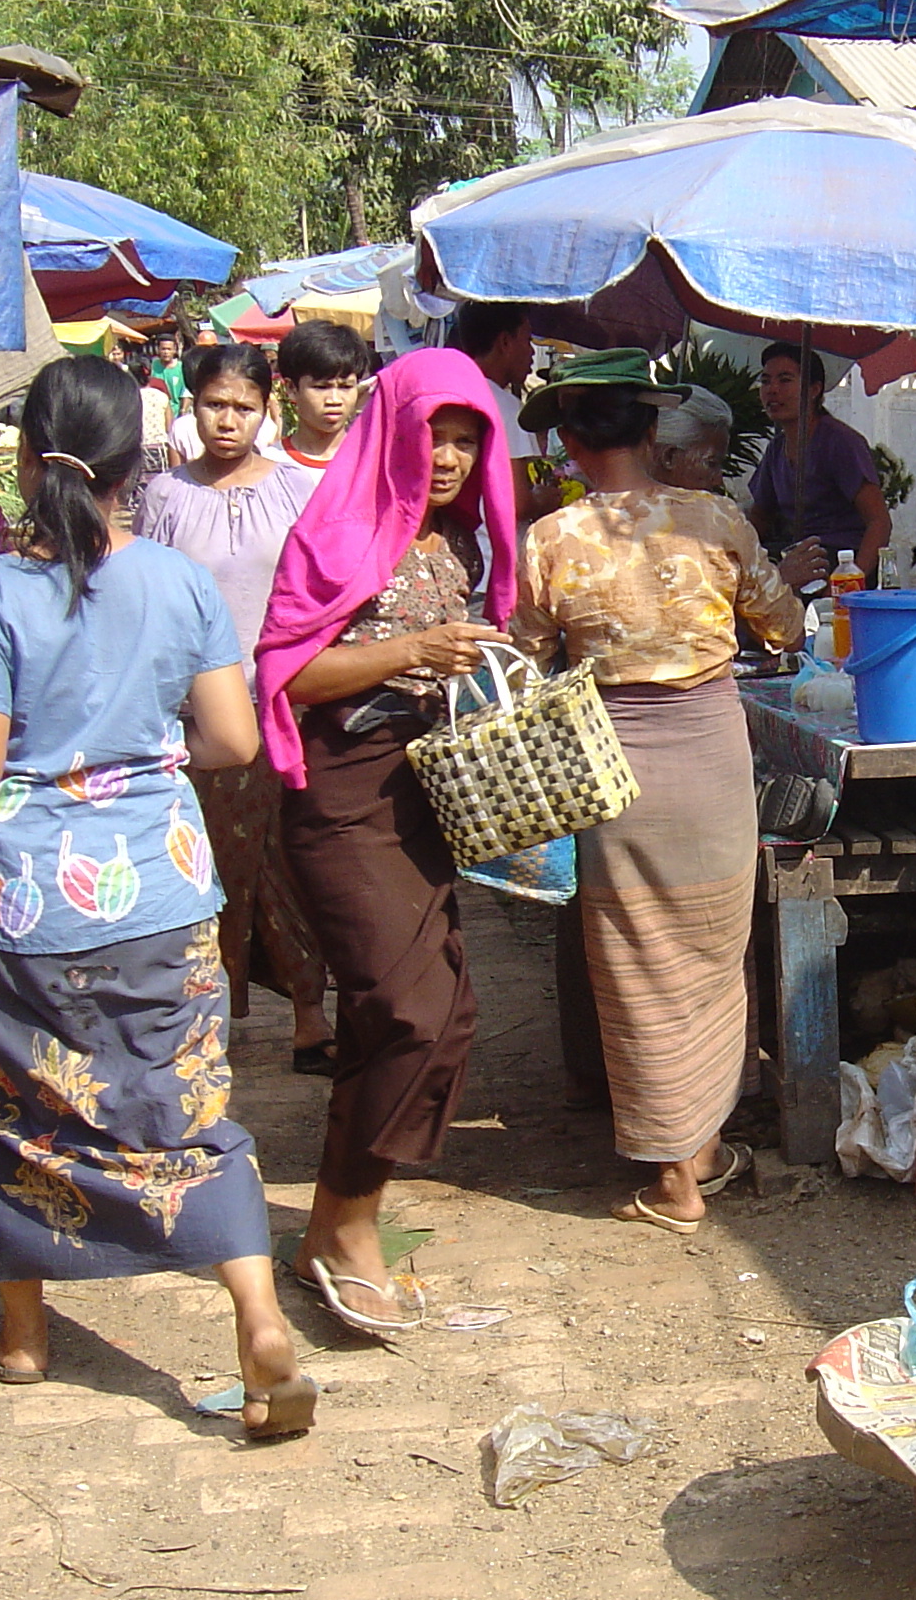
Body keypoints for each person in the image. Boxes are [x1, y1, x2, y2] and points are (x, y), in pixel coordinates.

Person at [0, 355, 313, 1441]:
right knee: (187, 1107)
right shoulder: (178, 581)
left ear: (30, 458)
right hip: (164, 896)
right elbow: (230, 738)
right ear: (140, 464)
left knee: (14, 1114)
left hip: (26, 908)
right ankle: (260, 1318)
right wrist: (139, 755)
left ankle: (27, 1336)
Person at [511, 348, 805, 1235]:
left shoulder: (551, 539)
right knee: (716, 958)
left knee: (635, 964)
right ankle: (694, 1157)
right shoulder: (716, 518)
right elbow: (783, 623)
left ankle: (682, 1164)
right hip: (711, 757)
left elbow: (526, 655)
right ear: (652, 429)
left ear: (567, 441)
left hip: (612, 767)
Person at [255, 348, 519, 1334]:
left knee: (440, 1012)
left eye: (466, 439)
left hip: (421, 794)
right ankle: (347, 1227)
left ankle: (336, 1219)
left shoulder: (457, 542)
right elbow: (285, 672)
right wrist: (412, 651)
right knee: (406, 1009)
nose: (447, 457)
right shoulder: (337, 527)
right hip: (339, 790)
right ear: (392, 429)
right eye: (431, 434)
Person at [132, 343, 335, 1072]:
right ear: (192, 407)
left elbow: (323, 597)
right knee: (204, 863)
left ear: (266, 411)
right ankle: (203, 1015)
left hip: (285, 708)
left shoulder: (297, 492)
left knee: (290, 860)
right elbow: (143, 600)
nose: (228, 420)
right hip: (197, 720)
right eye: (215, 405)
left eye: (243, 407)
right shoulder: (164, 497)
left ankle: (312, 1016)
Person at [650, 386, 829, 590]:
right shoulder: (632, 528)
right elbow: (707, 612)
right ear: (669, 457)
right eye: (711, 463)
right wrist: (779, 581)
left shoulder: (705, 522)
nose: (718, 480)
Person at [746, 342, 891, 577]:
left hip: (839, 561)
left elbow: (879, 522)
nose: (772, 390)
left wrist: (852, 580)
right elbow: (760, 516)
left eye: (784, 380)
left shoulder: (840, 442)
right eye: (765, 381)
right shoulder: (776, 449)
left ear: (814, 389)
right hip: (794, 559)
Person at [450, 301, 560, 527]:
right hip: (492, 548)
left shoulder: (452, 391)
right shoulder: (506, 408)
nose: (531, 352)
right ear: (505, 342)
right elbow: (518, 503)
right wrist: (544, 499)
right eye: (528, 340)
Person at [269, 321, 374, 473]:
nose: (334, 400)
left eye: (346, 387)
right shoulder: (268, 468)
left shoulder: (372, 464)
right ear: (291, 388)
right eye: (321, 387)